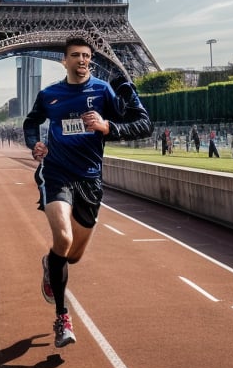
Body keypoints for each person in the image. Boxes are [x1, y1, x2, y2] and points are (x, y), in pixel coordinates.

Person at [23, 36, 153, 349]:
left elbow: (143, 124)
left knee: (73, 256)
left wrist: (108, 127)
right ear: (64, 61)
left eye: (86, 56)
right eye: (75, 55)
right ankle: (62, 317)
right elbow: (31, 122)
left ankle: (50, 263)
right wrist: (34, 144)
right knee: (63, 239)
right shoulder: (49, 95)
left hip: (91, 181)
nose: (82, 60)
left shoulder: (102, 91)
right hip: (56, 175)